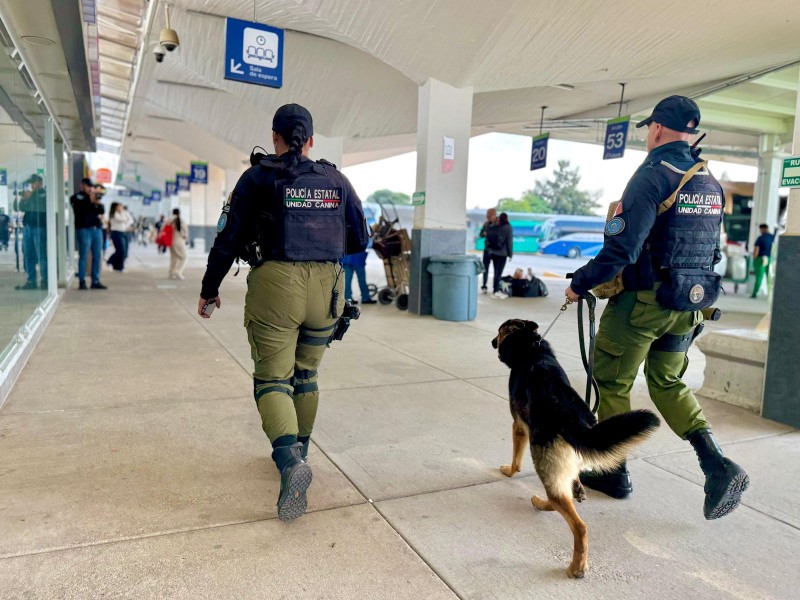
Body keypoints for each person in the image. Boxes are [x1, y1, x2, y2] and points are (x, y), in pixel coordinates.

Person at [565, 95, 749, 520]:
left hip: (643, 303)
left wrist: (580, 283)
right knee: (667, 380)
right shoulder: (708, 180)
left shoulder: (652, 175)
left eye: (650, 127)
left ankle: (612, 471)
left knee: (611, 379)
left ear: (659, 129)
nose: (649, 133)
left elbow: (622, 250)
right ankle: (715, 463)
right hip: (690, 302)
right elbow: (709, 249)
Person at [198, 103, 369, 521]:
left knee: (274, 378)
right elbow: (360, 238)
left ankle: (289, 461)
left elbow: (228, 238)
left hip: (276, 284)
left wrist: (209, 288)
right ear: (311, 140)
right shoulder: (336, 179)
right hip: (328, 287)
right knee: (306, 374)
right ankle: (302, 452)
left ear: (274, 137)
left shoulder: (257, 176)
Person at [70, 178, 107, 290]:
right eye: (88, 186)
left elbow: (101, 211)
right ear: (82, 185)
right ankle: (82, 281)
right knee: (83, 256)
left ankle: (95, 280)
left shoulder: (94, 198)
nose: (90, 188)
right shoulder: (76, 197)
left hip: (97, 229)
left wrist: (96, 201)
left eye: (91, 186)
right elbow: (80, 209)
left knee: (97, 256)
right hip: (84, 230)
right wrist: (90, 200)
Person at [15, 174, 48, 290]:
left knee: (41, 255)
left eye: (33, 182)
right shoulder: (29, 195)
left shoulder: (43, 194)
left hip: (39, 227)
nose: (31, 185)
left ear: (40, 183)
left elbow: (39, 207)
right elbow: (19, 208)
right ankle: (31, 281)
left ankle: (45, 280)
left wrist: (30, 197)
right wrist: (23, 198)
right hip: (28, 227)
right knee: (28, 254)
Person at [486, 212, 513, 298]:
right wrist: (510, 254)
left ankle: (495, 289)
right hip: (502, 254)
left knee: (495, 272)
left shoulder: (496, 226)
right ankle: (496, 290)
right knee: (499, 272)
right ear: (506, 218)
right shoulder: (508, 227)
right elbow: (509, 242)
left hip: (494, 252)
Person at [108, 202, 134, 272]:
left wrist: (126, 222)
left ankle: (117, 266)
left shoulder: (125, 212)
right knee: (120, 250)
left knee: (124, 251)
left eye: (122, 207)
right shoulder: (114, 214)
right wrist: (126, 219)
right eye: (119, 207)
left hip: (124, 232)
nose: (121, 208)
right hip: (116, 232)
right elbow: (121, 220)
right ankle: (112, 262)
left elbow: (131, 220)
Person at [751, 223, 774, 298]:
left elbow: (756, 250)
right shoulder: (772, 237)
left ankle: (755, 294)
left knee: (759, 278)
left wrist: (754, 259)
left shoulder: (760, 238)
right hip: (770, 259)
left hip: (760, 259)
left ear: (762, 229)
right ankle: (771, 294)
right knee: (769, 278)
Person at [479, 208, 498, 294]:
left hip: (496, 250)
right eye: (488, 216)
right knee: (485, 269)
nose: (490, 218)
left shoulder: (498, 224)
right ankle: (484, 286)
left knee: (496, 270)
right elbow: (480, 234)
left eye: (491, 216)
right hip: (487, 249)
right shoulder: (486, 224)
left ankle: (495, 287)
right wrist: (483, 234)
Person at [167, 208, 188, 280]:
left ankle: (171, 273)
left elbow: (162, 229)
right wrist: (185, 238)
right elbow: (185, 232)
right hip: (179, 241)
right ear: (179, 213)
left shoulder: (169, 220)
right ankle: (178, 271)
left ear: (172, 213)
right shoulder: (181, 220)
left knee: (173, 258)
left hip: (170, 242)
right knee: (184, 257)